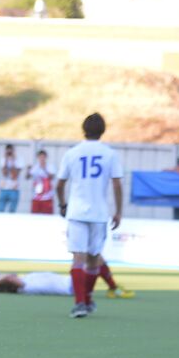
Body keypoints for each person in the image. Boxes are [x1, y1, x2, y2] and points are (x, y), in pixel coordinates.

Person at [56, 112, 124, 318]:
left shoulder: (72, 153)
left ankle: (80, 303)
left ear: (83, 129)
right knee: (94, 259)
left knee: (78, 258)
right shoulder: (110, 154)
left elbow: (59, 184)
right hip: (99, 212)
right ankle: (87, 298)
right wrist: (119, 211)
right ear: (103, 131)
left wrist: (62, 204)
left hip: (76, 211)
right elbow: (117, 183)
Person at [0, 144, 22, 213]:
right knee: (0, 210)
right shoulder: (3, 159)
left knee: (12, 211)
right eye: (8, 150)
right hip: (4, 188)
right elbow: (4, 173)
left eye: (11, 150)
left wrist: (13, 161)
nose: (9, 152)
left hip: (14, 188)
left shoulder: (19, 160)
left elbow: (14, 175)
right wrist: (6, 160)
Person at [27, 149, 54, 215]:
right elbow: (27, 177)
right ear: (38, 158)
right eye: (40, 157)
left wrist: (44, 168)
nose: (42, 159)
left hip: (47, 197)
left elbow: (52, 177)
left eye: (43, 157)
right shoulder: (35, 167)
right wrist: (28, 170)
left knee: (48, 216)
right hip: (36, 197)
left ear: (46, 157)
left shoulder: (50, 167)